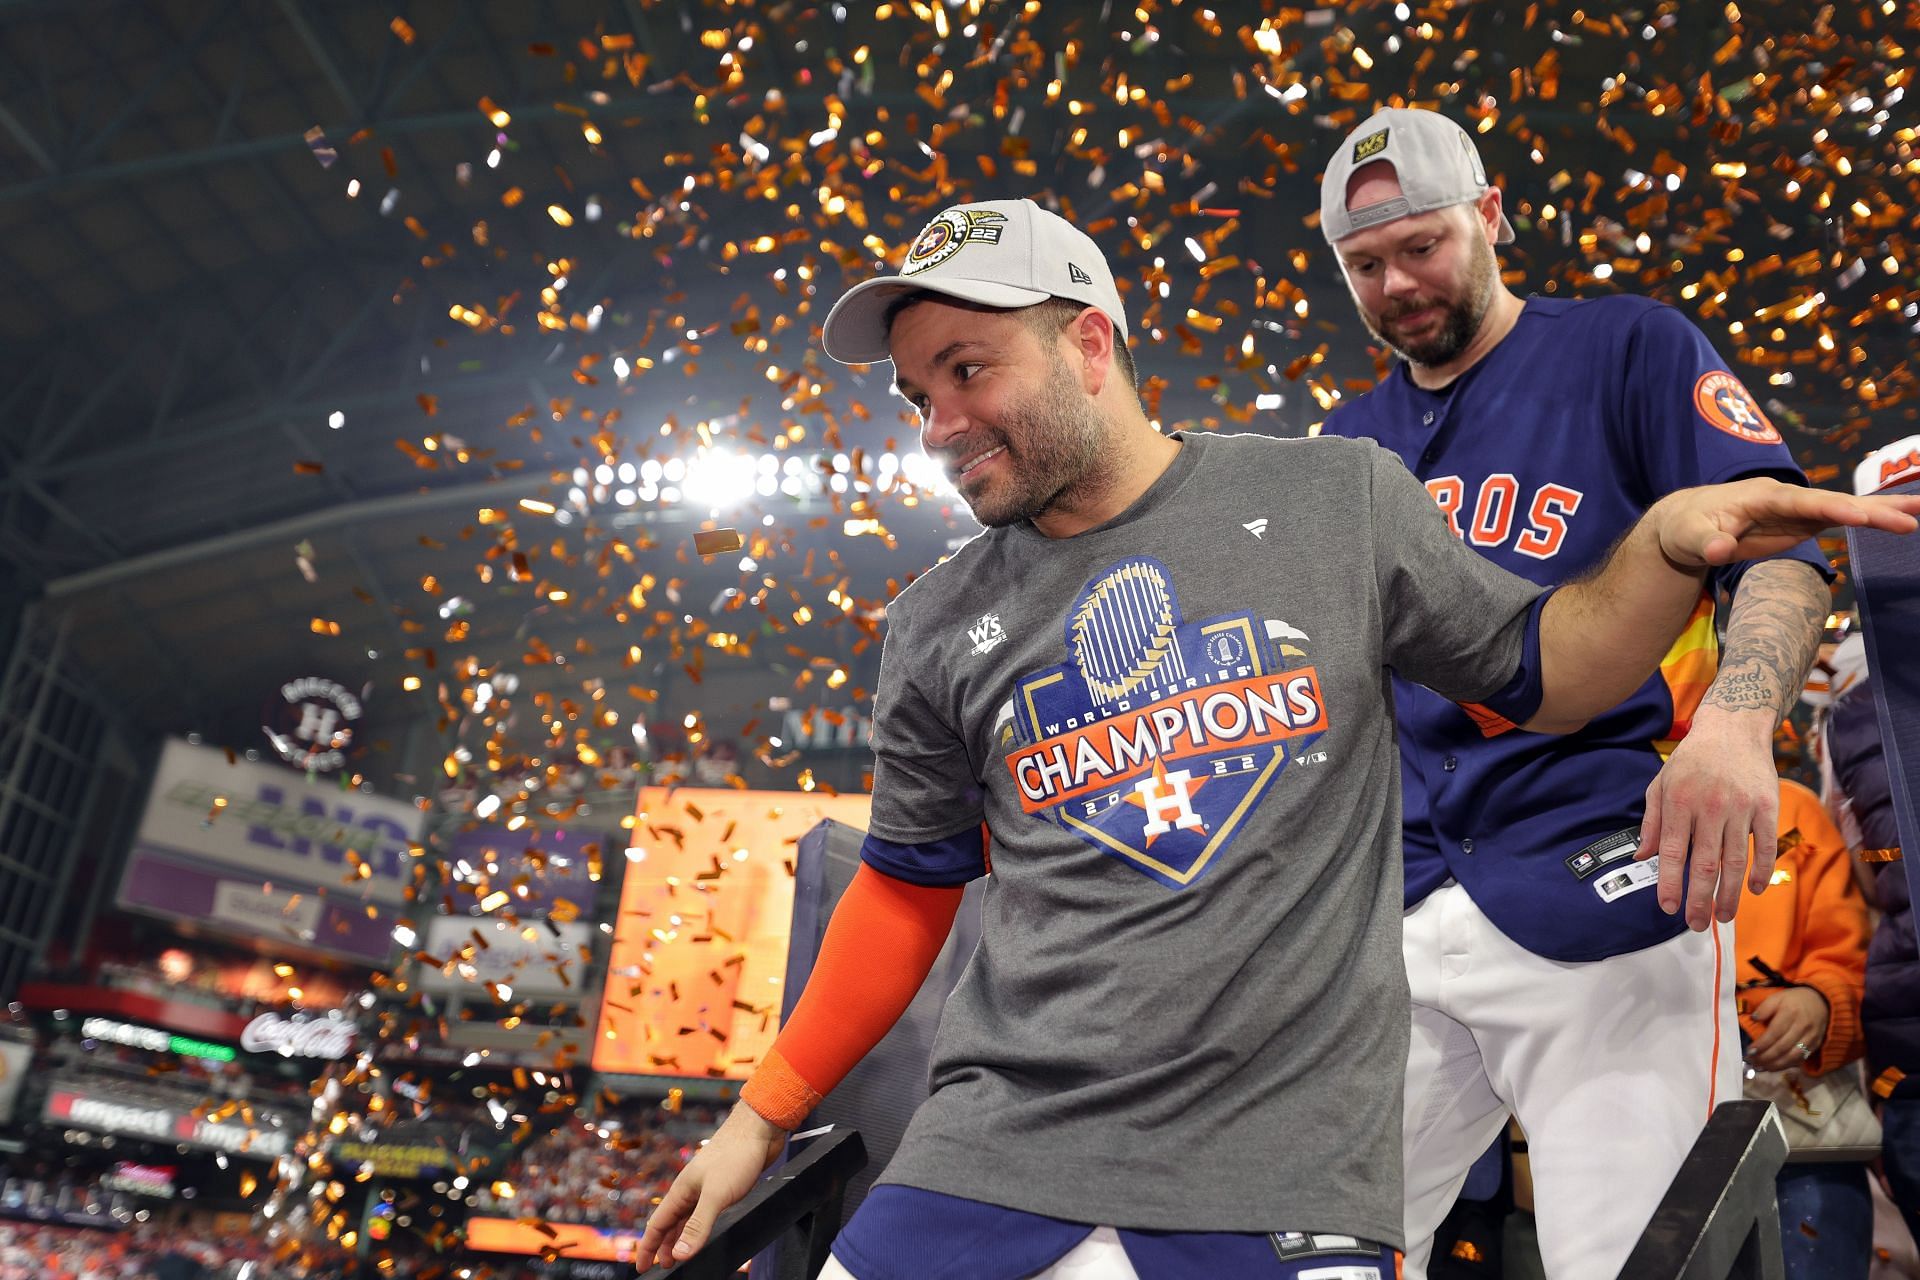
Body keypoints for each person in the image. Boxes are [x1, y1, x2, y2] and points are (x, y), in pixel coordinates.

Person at [637, 196, 1920, 1280]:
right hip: (995, 1148)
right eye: (920, 392)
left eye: (969, 369)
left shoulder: (1333, 496)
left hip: (1277, 1157)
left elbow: (1548, 671)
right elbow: (906, 886)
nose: (938, 423)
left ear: (1089, 342)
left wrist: (1655, 550)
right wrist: (758, 1118)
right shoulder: (931, 622)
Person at [1315, 107, 1841, 1279]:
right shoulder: (1342, 443)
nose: (1397, 282)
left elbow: (1779, 543)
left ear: (1492, 215)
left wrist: (1738, 720)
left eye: (1422, 243)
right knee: (1291, 1255)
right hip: (1390, 911)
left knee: (1633, 1263)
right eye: (1365, 264)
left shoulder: (1627, 348)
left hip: (1599, 868)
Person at [1734, 777, 1873, 1278]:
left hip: (1796, 1121)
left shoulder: (1791, 806)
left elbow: (1851, 955)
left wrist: (1820, 1001)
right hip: (1640, 1121)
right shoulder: (1589, 793)